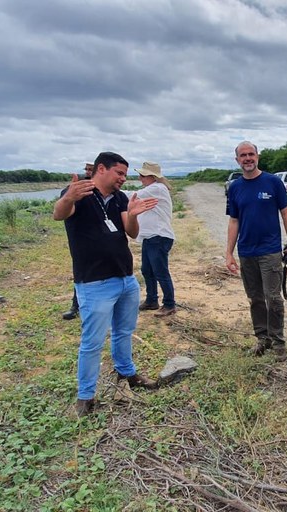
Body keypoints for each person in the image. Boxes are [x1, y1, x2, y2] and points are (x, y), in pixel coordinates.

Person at [53, 152, 159, 417]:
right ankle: (85, 397)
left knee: (124, 331)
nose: (123, 179)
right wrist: (68, 198)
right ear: (102, 169)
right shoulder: (79, 192)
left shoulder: (121, 198)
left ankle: (128, 373)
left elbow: (131, 232)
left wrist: (133, 215)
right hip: (94, 282)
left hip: (125, 278)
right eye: (119, 174)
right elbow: (59, 214)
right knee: (92, 341)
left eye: (125, 175)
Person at [225, 141, 287, 361]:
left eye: (251, 154)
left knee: (273, 298)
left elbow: (286, 214)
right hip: (246, 252)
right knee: (254, 298)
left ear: (257, 156)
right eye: (243, 155)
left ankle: (279, 341)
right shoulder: (235, 187)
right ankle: (263, 339)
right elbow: (234, 221)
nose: (247, 158)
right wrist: (229, 253)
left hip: (270, 251)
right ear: (237, 160)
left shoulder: (273, 182)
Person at [134, 161, 176, 317]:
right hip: (150, 237)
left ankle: (169, 304)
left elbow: (132, 196)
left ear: (152, 176)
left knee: (160, 272)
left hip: (158, 237)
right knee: (147, 270)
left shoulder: (157, 188)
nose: (140, 178)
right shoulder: (153, 189)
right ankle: (152, 300)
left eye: (143, 175)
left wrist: (111, 190)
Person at [62, 162, 96, 321]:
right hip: (80, 240)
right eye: (87, 169)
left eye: (91, 169)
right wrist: (70, 195)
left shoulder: (101, 191)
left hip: (98, 238)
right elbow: (62, 209)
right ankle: (76, 305)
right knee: (80, 271)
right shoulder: (73, 189)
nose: (88, 172)